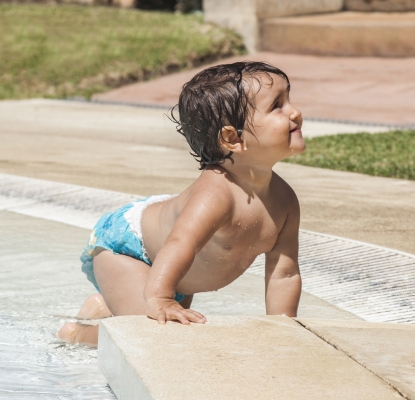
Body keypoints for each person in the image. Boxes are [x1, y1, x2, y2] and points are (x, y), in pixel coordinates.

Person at [58, 61, 305, 346]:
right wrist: (161, 298)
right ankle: (76, 334)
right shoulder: (217, 194)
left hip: (172, 269)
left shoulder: (284, 201)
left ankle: (102, 308)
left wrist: (284, 330)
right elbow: (179, 245)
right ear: (232, 138)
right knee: (151, 338)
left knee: (176, 334)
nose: (294, 112)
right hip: (130, 249)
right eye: (277, 105)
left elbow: (284, 273)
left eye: (289, 100)